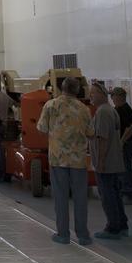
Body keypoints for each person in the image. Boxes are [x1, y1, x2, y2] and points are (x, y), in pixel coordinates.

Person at [36, 76, 94, 245]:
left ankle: (63, 234)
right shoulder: (84, 109)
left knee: (60, 197)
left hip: (57, 158)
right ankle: (83, 235)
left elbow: (41, 129)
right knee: (80, 198)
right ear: (77, 90)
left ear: (62, 88)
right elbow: (91, 133)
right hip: (78, 160)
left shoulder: (51, 105)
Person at [89, 80, 128, 239]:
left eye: (93, 93)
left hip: (107, 162)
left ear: (101, 94)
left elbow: (103, 139)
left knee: (107, 195)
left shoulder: (103, 112)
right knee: (115, 193)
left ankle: (113, 227)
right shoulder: (110, 110)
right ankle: (121, 223)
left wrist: (101, 161)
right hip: (113, 160)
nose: (90, 96)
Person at [110, 87, 132, 202]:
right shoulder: (118, 108)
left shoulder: (124, 109)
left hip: (124, 143)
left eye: (113, 96)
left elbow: (129, 127)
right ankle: (122, 190)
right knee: (121, 168)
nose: (112, 98)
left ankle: (128, 192)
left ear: (119, 96)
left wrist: (121, 142)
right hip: (121, 143)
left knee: (125, 167)